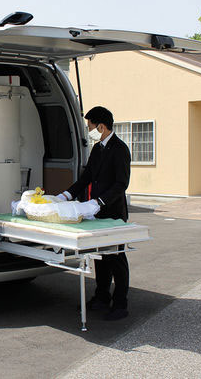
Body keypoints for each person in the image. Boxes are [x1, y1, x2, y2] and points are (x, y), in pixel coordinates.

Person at [56, 106, 131, 321]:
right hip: (95, 213)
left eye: (91, 127)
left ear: (101, 126)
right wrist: (65, 195)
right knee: (100, 258)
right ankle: (101, 297)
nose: (89, 131)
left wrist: (100, 201)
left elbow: (121, 184)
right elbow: (86, 177)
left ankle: (120, 303)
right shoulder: (98, 150)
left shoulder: (120, 149)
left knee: (116, 258)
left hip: (113, 213)